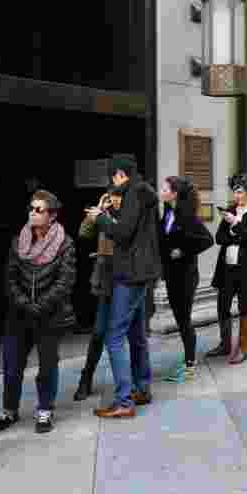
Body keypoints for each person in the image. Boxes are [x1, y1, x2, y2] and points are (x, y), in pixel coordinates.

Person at [0, 190, 76, 434]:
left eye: (39, 209)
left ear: (52, 216)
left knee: (47, 365)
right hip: (19, 314)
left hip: (49, 315)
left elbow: (65, 281)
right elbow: (9, 277)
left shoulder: (65, 244)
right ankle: (9, 409)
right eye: (31, 208)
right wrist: (23, 303)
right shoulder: (17, 241)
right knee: (12, 364)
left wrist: (40, 306)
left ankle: (44, 410)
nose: (32, 212)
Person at [88, 154, 161, 419]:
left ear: (120, 174)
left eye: (112, 177)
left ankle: (123, 400)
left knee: (114, 336)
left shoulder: (133, 193)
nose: (112, 182)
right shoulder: (143, 193)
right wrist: (112, 212)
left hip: (129, 273)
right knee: (136, 334)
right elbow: (134, 228)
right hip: (141, 272)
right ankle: (141, 388)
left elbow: (123, 233)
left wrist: (100, 218)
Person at [159, 176, 214, 377]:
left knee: (184, 319)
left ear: (174, 193)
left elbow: (207, 240)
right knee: (180, 318)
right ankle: (189, 359)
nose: (162, 191)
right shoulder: (167, 213)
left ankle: (190, 362)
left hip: (186, 275)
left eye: (165, 188)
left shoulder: (187, 216)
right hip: (172, 274)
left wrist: (183, 251)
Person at [74, 186, 123, 401]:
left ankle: (136, 383)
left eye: (117, 197)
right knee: (98, 332)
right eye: (111, 197)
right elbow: (83, 233)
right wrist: (99, 211)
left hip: (126, 277)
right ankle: (86, 378)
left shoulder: (129, 215)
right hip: (105, 278)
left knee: (129, 334)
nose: (113, 200)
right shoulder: (103, 214)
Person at [210, 174, 247, 356]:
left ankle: (243, 347)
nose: (236, 196)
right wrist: (238, 233)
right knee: (222, 306)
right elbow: (219, 238)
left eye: (240, 192)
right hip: (227, 266)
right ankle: (225, 344)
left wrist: (235, 224)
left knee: (244, 306)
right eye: (234, 192)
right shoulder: (230, 208)